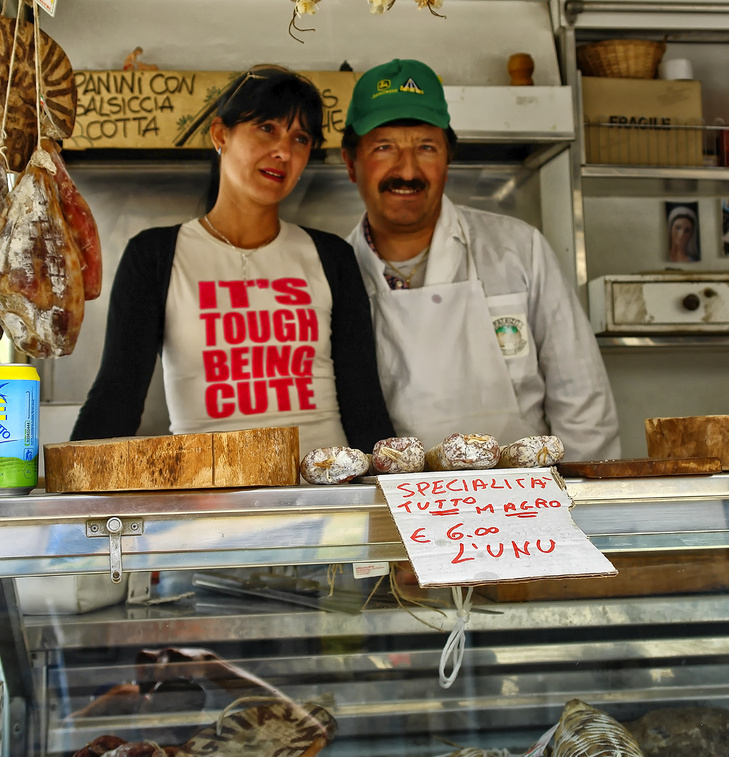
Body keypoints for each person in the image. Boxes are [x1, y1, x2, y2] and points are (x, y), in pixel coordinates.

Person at [73, 66, 394, 455]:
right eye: (267, 128)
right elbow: (116, 398)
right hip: (207, 497)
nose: (283, 151)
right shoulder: (156, 256)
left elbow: (364, 406)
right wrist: (66, 504)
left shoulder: (331, 257)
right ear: (220, 133)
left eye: (300, 138)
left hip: (325, 493)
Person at [341, 57, 620, 461]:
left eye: (426, 147)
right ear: (352, 163)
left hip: (526, 502)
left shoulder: (518, 249)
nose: (407, 170)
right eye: (384, 148)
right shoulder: (334, 274)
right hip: (401, 512)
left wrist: (582, 504)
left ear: (448, 160)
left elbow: (582, 397)